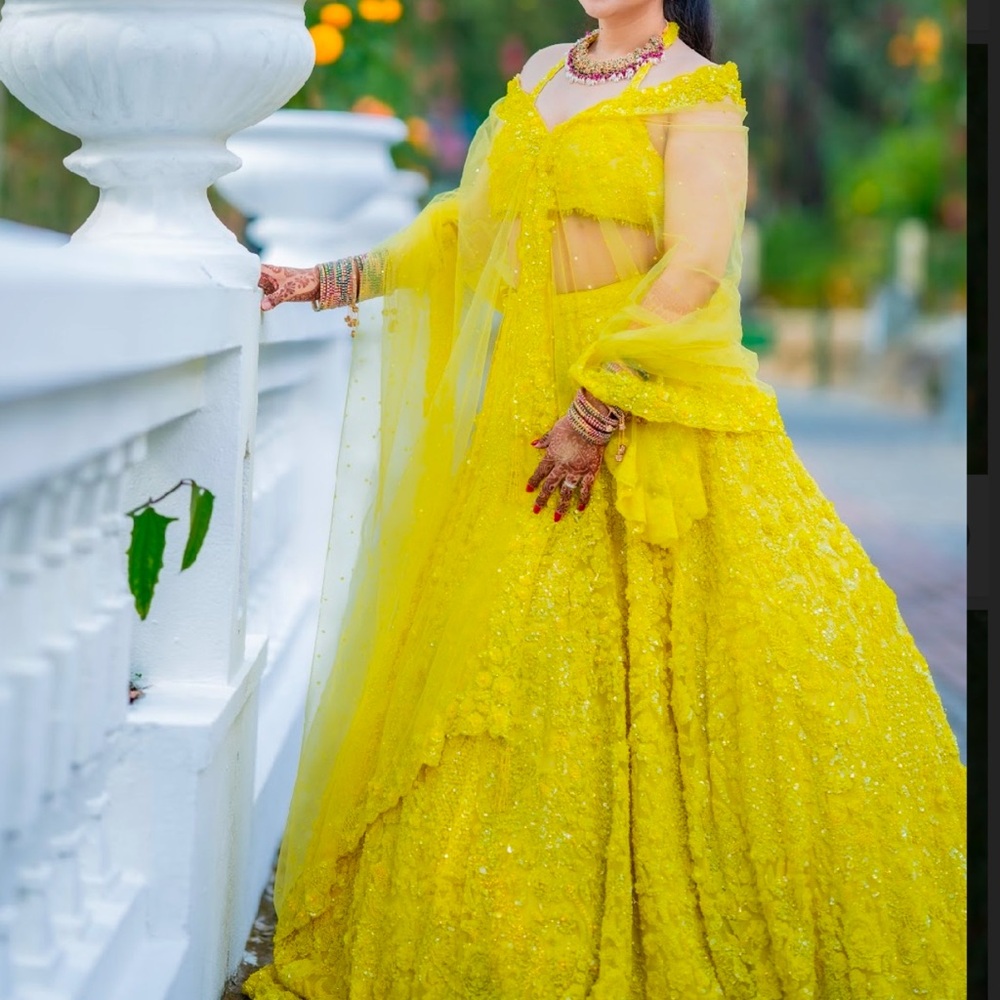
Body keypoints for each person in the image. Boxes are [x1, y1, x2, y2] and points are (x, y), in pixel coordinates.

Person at [246, 1, 966, 997]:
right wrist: (330, 282)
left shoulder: (697, 93)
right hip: (523, 426)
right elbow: (469, 229)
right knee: (498, 685)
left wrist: (596, 408)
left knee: (709, 685)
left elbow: (695, 267)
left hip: (649, 410)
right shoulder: (545, 70)